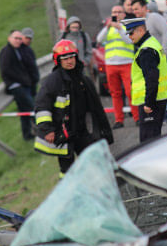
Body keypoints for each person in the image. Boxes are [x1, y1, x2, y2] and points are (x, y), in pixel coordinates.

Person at [34, 40, 113, 176]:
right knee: (67, 170)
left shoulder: (83, 79)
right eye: (65, 59)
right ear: (58, 61)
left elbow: (95, 108)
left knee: (93, 162)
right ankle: (67, 195)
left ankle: (95, 191)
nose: (69, 61)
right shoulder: (52, 81)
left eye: (71, 57)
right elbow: (42, 106)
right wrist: (47, 130)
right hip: (63, 134)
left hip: (81, 131)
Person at [122, 18, 167, 142]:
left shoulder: (147, 50)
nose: (130, 37)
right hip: (157, 99)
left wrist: (149, 102)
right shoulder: (152, 43)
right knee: (154, 139)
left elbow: (152, 79)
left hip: (151, 102)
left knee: (148, 142)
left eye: (131, 33)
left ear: (141, 30)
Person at [96, 6, 139, 128]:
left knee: (131, 92)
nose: (117, 14)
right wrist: (108, 26)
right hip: (111, 64)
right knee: (115, 93)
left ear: (124, 15)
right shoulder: (107, 29)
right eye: (114, 12)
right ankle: (119, 120)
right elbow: (99, 39)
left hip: (127, 64)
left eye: (119, 12)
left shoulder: (128, 27)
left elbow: (129, 41)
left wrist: (119, 28)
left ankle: (137, 118)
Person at [0, 29, 40, 140]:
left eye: (19, 39)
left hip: (24, 84)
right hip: (16, 86)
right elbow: (5, 70)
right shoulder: (7, 52)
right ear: (9, 39)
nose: (18, 41)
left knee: (24, 112)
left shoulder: (19, 50)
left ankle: (27, 135)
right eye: (15, 38)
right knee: (32, 108)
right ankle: (45, 132)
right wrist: (23, 79)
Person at [132, 0, 167, 91]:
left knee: (164, 88)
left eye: (136, 9)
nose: (134, 12)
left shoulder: (154, 17)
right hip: (152, 59)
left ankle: (166, 106)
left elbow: (166, 34)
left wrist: (163, 55)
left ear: (144, 7)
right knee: (154, 87)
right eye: (133, 10)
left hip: (163, 57)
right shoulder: (140, 22)